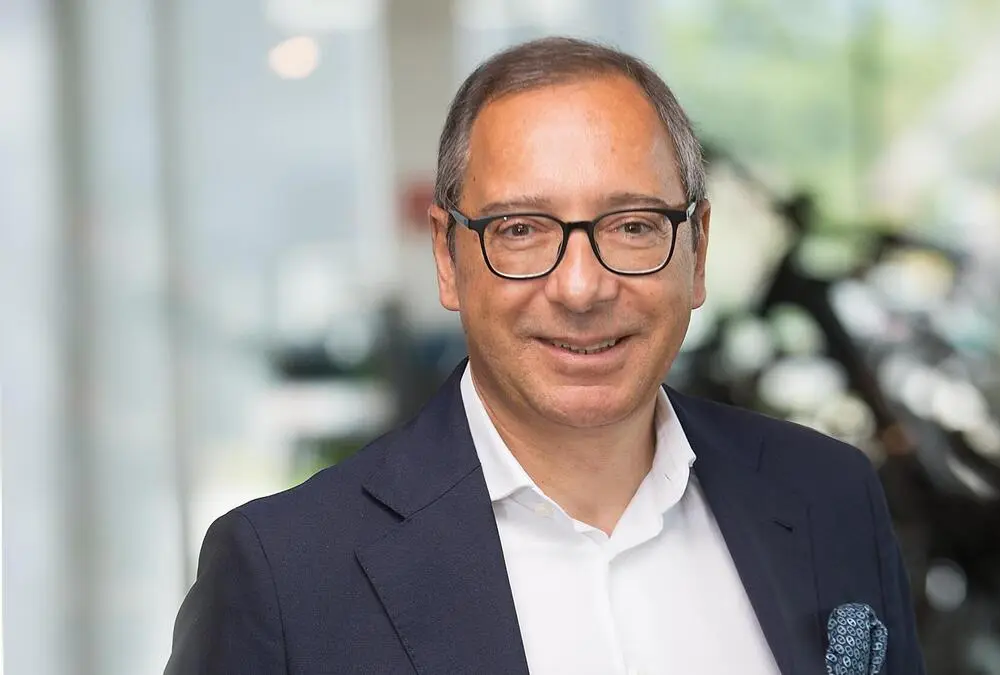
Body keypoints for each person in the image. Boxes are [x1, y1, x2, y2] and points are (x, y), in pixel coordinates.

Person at [165, 36, 925, 675]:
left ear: (697, 251)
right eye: (522, 230)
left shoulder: (829, 496)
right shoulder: (284, 575)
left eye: (632, 225)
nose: (581, 287)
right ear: (447, 258)